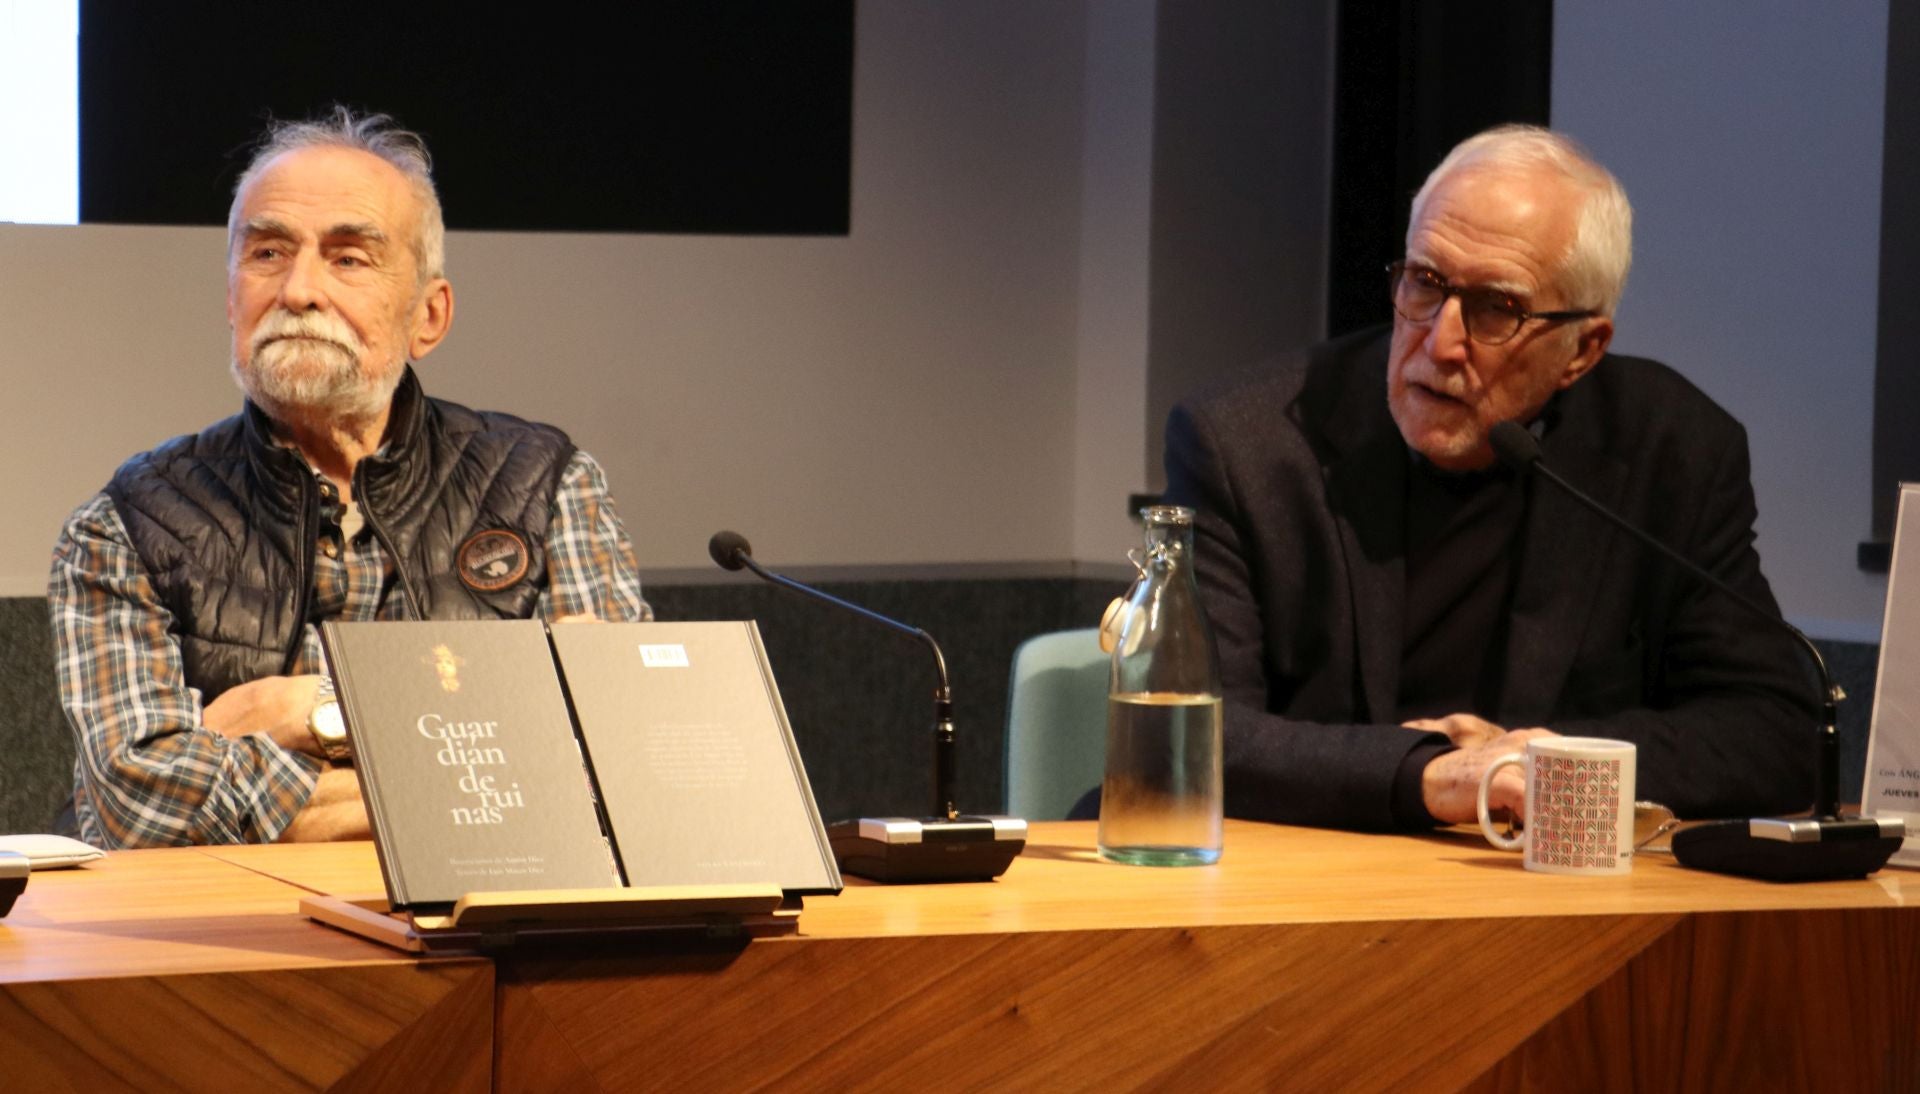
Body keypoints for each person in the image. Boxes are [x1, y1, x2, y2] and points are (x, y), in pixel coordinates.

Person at [1159, 124, 1813, 831]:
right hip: (1303, 871)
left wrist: (1551, 765)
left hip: (1540, 887)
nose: (1440, 343)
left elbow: (1777, 731)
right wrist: (1435, 776)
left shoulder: (1670, 452)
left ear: (1582, 350)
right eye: (1424, 283)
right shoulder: (1244, 444)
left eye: (1497, 308)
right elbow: (1195, 735)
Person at [50, 107, 650, 848]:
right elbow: (135, 808)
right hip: (232, 945)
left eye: (349, 258)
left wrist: (302, 711)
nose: (298, 289)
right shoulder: (127, 525)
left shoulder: (546, 487)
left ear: (427, 317)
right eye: (267, 253)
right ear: (231, 297)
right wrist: (493, 761)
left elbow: (622, 766)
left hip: (486, 936)